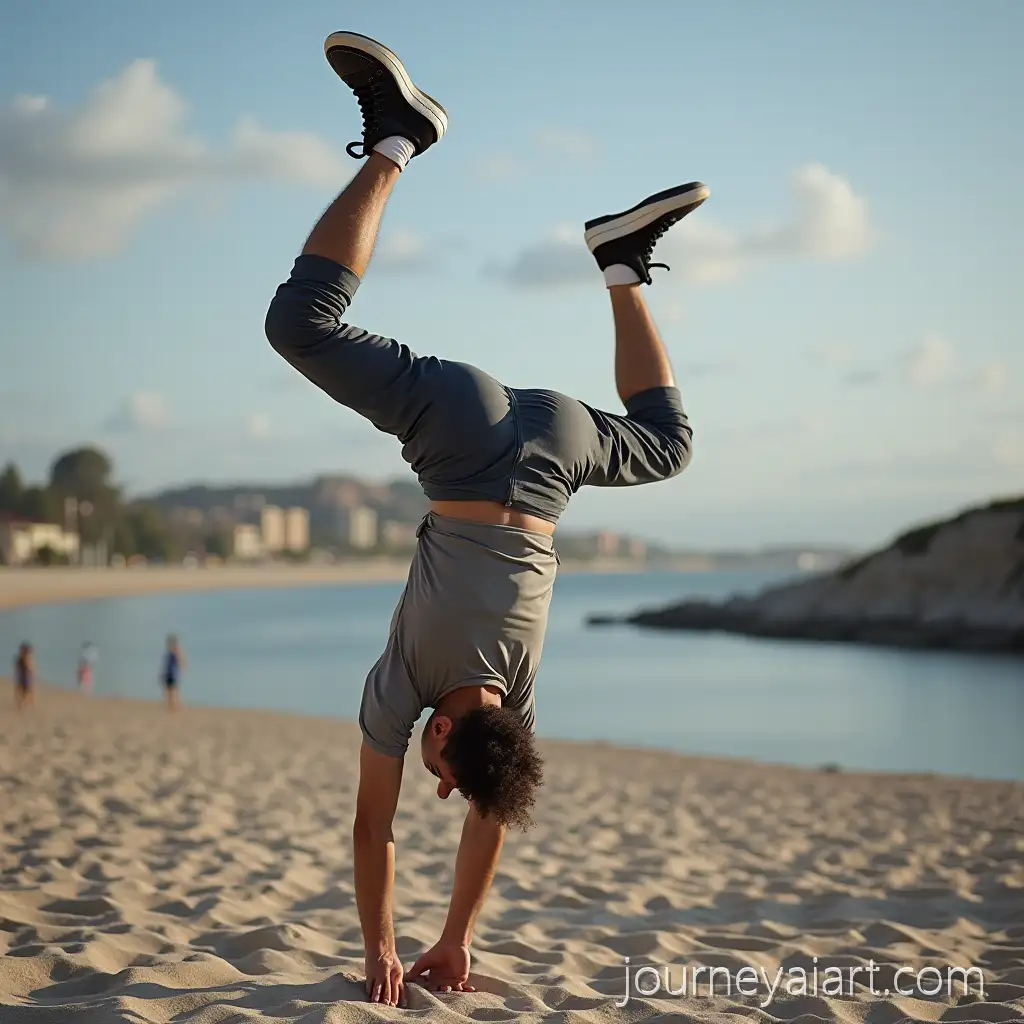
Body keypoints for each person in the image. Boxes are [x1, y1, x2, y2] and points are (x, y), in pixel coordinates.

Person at [265, 31, 705, 1006]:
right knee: (299, 329)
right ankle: (395, 141)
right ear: (439, 748)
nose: (433, 778)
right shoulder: (406, 686)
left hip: (553, 449)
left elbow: (495, 804)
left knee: (667, 444)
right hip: (460, 441)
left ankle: (622, 267)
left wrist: (458, 934)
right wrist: (392, 945)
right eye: (443, 773)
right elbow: (370, 829)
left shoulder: (518, 692)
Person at [160, 635, 185, 711]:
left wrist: (182, 667)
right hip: (170, 674)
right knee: (171, 691)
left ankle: (175, 706)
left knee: (173, 691)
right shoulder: (171, 653)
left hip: (171, 674)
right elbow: (168, 664)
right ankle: (172, 706)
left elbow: (180, 661)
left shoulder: (174, 652)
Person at [13, 642, 34, 710]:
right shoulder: (22, 660)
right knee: (24, 693)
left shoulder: (25, 659)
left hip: (24, 679)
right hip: (23, 679)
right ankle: (22, 705)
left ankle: (23, 705)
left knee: (25, 693)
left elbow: (30, 669)